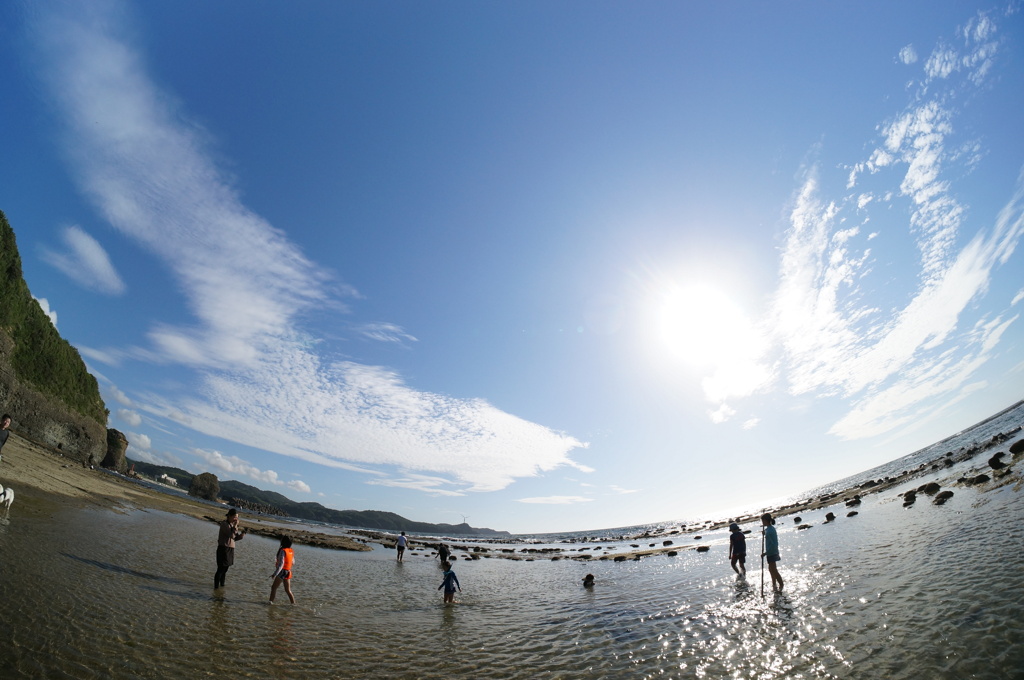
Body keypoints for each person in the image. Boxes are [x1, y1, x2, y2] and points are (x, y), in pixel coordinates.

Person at [214, 508, 245, 589]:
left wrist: (241, 536)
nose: (236, 519)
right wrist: (235, 526)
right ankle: (216, 588)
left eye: (237, 517)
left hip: (230, 549)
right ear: (229, 516)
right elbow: (230, 535)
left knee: (225, 570)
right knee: (220, 570)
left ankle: (222, 586)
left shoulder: (232, 525)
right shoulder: (224, 524)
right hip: (223, 549)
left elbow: (234, 538)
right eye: (235, 517)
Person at [760, 513, 784, 591]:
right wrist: (764, 533)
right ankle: (774, 584)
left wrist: (765, 553)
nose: (762, 523)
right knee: (771, 569)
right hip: (772, 552)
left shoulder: (770, 531)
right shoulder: (770, 529)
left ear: (766, 521)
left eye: (763, 521)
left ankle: (781, 585)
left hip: (772, 552)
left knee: (774, 570)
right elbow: (767, 531)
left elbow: (773, 544)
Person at [269, 535, 296, 604]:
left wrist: (275, 574)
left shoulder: (282, 551)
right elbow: (293, 562)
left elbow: (281, 564)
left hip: (282, 571)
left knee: (273, 588)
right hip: (288, 571)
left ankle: (270, 602)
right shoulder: (291, 551)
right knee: (288, 590)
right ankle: (293, 604)